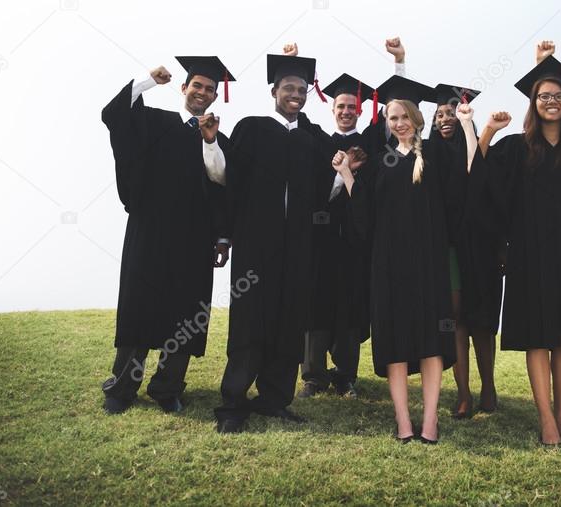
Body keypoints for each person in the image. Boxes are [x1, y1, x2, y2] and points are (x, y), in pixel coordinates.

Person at [472, 52, 561, 446]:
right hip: (530, 254)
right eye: (543, 96)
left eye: (558, 96)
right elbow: (480, 181)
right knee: (539, 336)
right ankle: (546, 420)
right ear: (532, 103)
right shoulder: (517, 148)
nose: (551, 102)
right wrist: (488, 133)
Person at [213, 49, 344, 433]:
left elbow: (328, 188)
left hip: (299, 246)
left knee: (290, 320)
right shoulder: (251, 129)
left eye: (302, 90)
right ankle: (234, 402)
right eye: (289, 87)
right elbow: (229, 183)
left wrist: (342, 172)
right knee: (251, 320)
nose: (297, 95)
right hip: (257, 244)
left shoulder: (313, 137)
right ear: (274, 90)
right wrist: (225, 236)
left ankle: (274, 399)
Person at [333, 78, 465, 444]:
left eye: (404, 115)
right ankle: (404, 421)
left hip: (429, 262)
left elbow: (460, 194)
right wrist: (346, 174)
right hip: (388, 264)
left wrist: (469, 125)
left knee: (431, 340)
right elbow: (364, 214)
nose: (399, 122)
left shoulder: (437, 156)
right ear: (386, 122)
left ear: (417, 118)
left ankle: (431, 421)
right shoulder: (379, 163)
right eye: (392, 117)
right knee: (393, 338)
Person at [99, 56, 231, 414]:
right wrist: (145, 80)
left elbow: (222, 181)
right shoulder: (155, 122)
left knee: (185, 312)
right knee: (140, 305)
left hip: (194, 238)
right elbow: (115, 114)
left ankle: (167, 387)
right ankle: (123, 386)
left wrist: (222, 237)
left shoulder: (215, 137)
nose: (202, 93)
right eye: (197, 86)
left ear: (216, 96)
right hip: (150, 229)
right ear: (184, 87)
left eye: (209, 89)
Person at [299, 74, 375, 399]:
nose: (346, 111)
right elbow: (315, 194)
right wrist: (339, 175)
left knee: (349, 306)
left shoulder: (370, 146)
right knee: (316, 303)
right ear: (332, 109)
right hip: (322, 241)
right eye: (341, 106)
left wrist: (353, 170)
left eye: (352, 106)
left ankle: (346, 376)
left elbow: (372, 197)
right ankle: (313, 375)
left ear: (360, 110)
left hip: (356, 245)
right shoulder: (319, 143)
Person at [430, 84, 503, 418]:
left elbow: (476, 169)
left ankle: (488, 388)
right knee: (457, 319)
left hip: (482, 246)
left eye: (450, 113)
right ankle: (464, 394)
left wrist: (469, 124)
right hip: (448, 246)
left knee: (483, 322)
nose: (445, 119)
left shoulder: (474, 147)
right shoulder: (428, 153)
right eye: (439, 115)